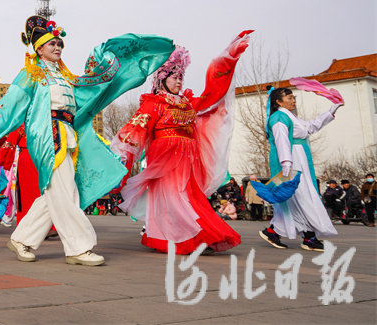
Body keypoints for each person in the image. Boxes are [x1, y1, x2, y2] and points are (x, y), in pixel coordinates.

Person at [0, 15, 174, 266]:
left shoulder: (63, 76)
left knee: (54, 193)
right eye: (52, 44)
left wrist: (110, 67)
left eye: (59, 44)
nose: (57, 47)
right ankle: (78, 247)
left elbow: (87, 90)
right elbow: (10, 105)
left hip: (67, 135)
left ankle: (22, 239)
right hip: (47, 137)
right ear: (39, 48)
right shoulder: (31, 75)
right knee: (66, 192)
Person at [113, 34, 250, 255]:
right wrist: (123, 156)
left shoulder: (187, 103)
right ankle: (189, 238)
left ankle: (196, 236)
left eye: (181, 78)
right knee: (174, 199)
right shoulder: (154, 104)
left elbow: (210, 99)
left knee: (189, 198)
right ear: (162, 79)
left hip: (188, 160)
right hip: (165, 159)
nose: (179, 82)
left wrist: (226, 62)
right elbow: (134, 130)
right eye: (174, 77)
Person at [259, 87, 341, 251]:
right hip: (291, 158)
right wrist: (286, 163)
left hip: (300, 158)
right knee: (299, 196)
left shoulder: (291, 117)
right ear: (278, 101)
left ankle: (276, 232)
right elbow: (281, 140)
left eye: (293, 97)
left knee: (300, 196)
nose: (293, 100)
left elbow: (311, 127)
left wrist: (333, 108)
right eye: (288, 97)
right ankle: (307, 236)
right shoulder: (278, 117)